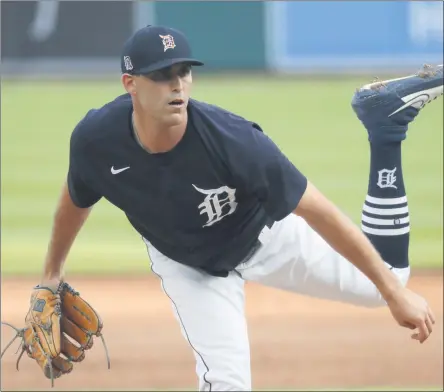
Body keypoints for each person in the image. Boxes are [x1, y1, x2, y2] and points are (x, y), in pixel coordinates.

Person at [40, 25, 441, 390]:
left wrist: (391, 291)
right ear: (130, 83)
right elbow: (76, 198)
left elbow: (318, 210)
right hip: (188, 266)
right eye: (162, 75)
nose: (177, 85)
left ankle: (385, 128)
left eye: (183, 72)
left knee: (389, 284)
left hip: (266, 236)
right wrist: (51, 276)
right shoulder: (96, 140)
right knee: (227, 382)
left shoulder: (233, 140)